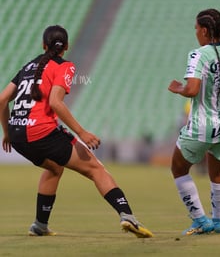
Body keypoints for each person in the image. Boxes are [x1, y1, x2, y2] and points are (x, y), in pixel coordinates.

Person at [0, 25, 153, 238]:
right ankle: (127, 216)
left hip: (18, 136)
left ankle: (39, 225)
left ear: (43, 45)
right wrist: (82, 132)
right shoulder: (65, 66)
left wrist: (7, 133)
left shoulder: (28, 67)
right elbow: (55, 102)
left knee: (54, 168)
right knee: (95, 168)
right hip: (40, 131)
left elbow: (2, 99)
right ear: (67, 46)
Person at [168, 8, 220, 235]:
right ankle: (218, 221)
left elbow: (193, 90)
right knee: (217, 172)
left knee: (178, 167)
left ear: (204, 30)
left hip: (202, 125)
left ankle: (200, 219)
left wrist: (179, 89)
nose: (195, 32)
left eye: (196, 28)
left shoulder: (199, 54)